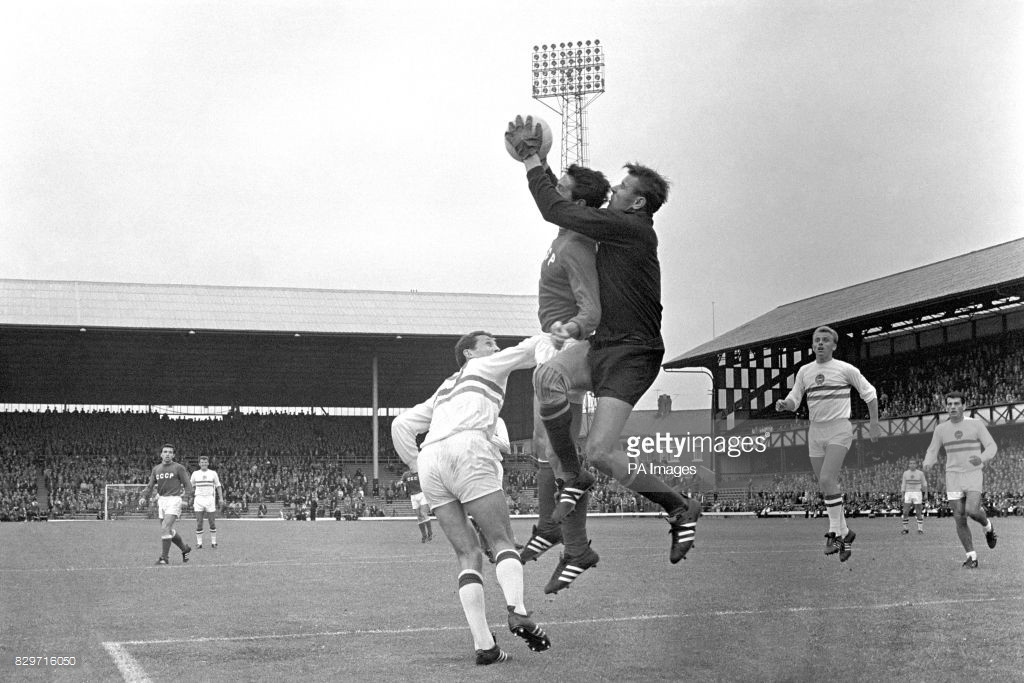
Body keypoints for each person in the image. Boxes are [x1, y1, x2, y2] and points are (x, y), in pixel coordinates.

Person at [506, 116, 700, 565]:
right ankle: (571, 478)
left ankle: (678, 506)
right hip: (603, 346)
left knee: (601, 450)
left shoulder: (631, 229)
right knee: (547, 375)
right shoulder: (616, 224)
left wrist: (533, 161)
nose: (614, 190)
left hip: (634, 354)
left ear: (638, 204)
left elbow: (558, 210)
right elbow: (571, 205)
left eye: (623, 188)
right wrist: (547, 166)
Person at [392, 331, 551, 665]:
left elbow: (401, 424)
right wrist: (565, 329)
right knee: (503, 541)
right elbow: (528, 350)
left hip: (431, 460)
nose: (496, 348)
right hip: (468, 447)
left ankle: (485, 647)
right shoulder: (485, 366)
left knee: (467, 554)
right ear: (468, 353)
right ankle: (518, 612)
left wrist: (414, 464)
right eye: (489, 343)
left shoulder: (444, 389)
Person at [518, 160, 608, 594]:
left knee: (561, 453)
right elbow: (554, 194)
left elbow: (591, 310)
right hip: (549, 344)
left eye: (564, 187)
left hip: (566, 350)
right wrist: (536, 161)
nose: (556, 190)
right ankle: (549, 529)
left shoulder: (577, 246)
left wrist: (570, 331)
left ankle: (575, 546)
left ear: (579, 202)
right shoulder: (564, 234)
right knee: (545, 449)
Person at [774, 326, 880, 563]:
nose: (820, 344)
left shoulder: (845, 369)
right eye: (816, 340)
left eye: (825, 340)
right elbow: (795, 398)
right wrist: (785, 404)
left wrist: (874, 423)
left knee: (826, 479)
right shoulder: (804, 371)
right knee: (827, 485)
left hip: (839, 429)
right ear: (812, 345)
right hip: (816, 431)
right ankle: (846, 533)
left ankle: (833, 532)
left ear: (834, 345)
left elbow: (869, 393)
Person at [923, 391, 998, 568]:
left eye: (956, 404)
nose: (952, 407)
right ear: (946, 407)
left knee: (972, 510)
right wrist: (928, 461)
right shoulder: (941, 429)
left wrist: (981, 458)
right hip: (953, 476)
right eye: (949, 404)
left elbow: (991, 446)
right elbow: (933, 450)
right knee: (959, 517)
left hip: (972, 473)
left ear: (964, 406)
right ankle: (971, 557)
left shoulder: (976, 425)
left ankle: (988, 526)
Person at [139, 444, 193, 565]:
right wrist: (143, 497)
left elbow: (188, 485)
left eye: (170, 452)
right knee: (168, 530)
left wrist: (186, 498)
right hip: (162, 501)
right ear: (161, 454)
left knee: (165, 528)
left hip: (174, 500)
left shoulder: (179, 468)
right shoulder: (156, 469)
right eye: (165, 452)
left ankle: (164, 558)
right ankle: (185, 549)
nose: (167, 454)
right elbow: (150, 486)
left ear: (173, 455)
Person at [190, 455, 223, 549]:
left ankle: (214, 542)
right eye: (202, 462)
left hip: (210, 499)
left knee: (212, 522)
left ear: (208, 463)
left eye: (205, 462)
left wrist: (221, 498)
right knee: (199, 522)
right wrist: (190, 495)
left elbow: (218, 486)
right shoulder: (195, 474)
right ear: (199, 463)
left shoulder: (213, 473)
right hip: (199, 499)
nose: (204, 464)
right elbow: (190, 486)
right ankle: (199, 543)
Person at [402, 467, 433, 543]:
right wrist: (401, 484)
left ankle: (430, 532)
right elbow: (402, 481)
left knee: (423, 513)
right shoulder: (406, 474)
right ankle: (424, 536)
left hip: (422, 494)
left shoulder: (420, 473)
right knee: (419, 516)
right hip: (413, 496)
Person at [899, 459, 927, 535]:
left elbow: (924, 484)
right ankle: (905, 529)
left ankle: (920, 530)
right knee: (905, 512)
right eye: (910, 463)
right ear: (909, 465)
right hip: (908, 493)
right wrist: (902, 495)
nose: (912, 464)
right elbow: (903, 485)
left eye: (913, 463)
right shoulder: (905, 473)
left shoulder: (920, 473)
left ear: (916, 465)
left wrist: (926, 494)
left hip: (917, 493)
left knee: (918, 512)